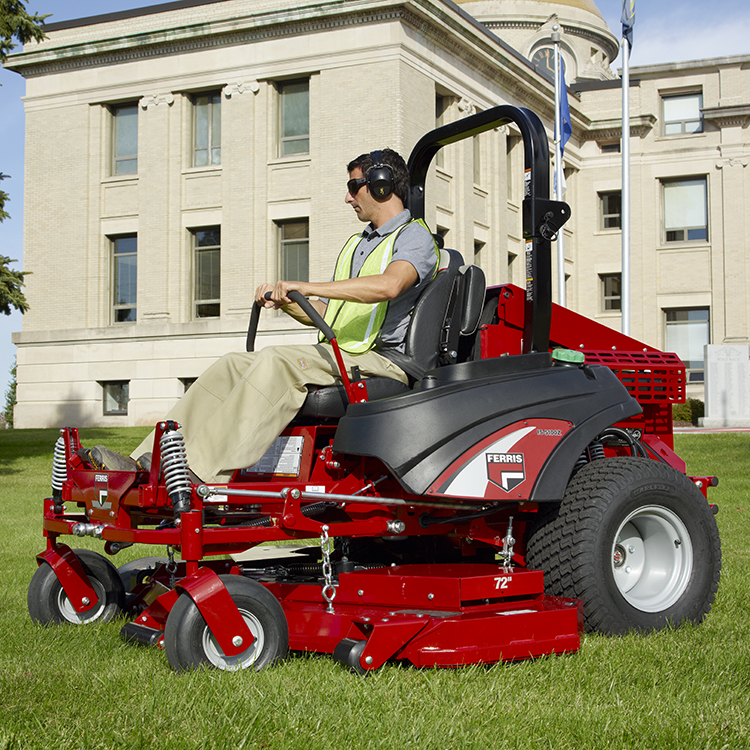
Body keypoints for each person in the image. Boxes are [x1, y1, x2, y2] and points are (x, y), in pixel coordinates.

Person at [86, 149, 439, 483]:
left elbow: (391, 285)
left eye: (353, 187)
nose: (348, 198)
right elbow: (330, 313)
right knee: (232, 364)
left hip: (385, 362)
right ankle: (148, 461)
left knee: (275, 361)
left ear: (381, 184)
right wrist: (290, 300)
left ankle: (199, 470)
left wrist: (309, 284)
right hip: (345, 354)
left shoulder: (415, 237)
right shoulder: (360, 244)